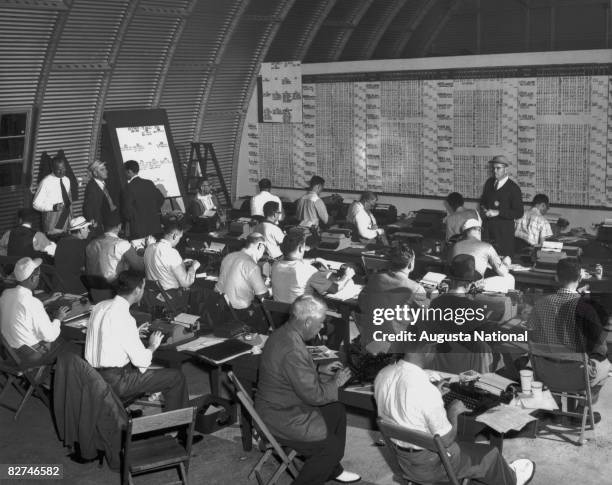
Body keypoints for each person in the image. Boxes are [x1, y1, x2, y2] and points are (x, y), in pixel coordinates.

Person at [374, 331, 535, 485]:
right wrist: (453, 412)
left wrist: (434, 394)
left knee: (465, 444)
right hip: (433, 466)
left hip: (403, 461)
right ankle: (512, 479)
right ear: (428, 349)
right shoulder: (424, 389)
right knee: (490, 455)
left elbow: (402, 406)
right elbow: (446, 440)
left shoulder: (383, 374)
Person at [255, 295, 360, 485]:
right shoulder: (292, 348)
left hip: (282, 404)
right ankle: (322, 468)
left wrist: (319, 369)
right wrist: (335, 383)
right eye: (320, 323)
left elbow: (289, 371)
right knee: (332, 447)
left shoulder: (283, 333)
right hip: (281, 416)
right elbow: (314, 396)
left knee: (336, 410)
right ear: (308, 321)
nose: (321, 327)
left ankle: (331, 470)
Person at [84, 271, 193, 420]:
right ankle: (179, 428)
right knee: (176, 377)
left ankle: (121, 411)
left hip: (92, 375)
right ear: (137, 291)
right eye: (143, 288)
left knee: (137, 367)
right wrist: (153, 346)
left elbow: (108, 334)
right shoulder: (124, 317)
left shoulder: (100, 306)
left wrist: (134, 333)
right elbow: (141, 362)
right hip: (116, 382)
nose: (143, 291)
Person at [528, 258, 610, 387]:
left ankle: (556, 402)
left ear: (556, 278)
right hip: (578, 376)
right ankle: (582, 406)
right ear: (580, 278)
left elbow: (531, 335)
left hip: (544, 373)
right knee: (605, 365)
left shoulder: (540, 304)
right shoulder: (588, 308)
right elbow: (602, 349)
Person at [428, 254, 495, 374]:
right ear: (469, 284)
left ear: (450, 280)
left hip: (440, 368)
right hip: (467, 371)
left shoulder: (435, 303)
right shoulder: (475, 308)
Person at [358, 243, 427, 353]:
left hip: (370, 344)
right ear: (410, 264)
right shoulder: (416, 289)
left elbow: (362, 304)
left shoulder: (374, 279)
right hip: (394, 350)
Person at [0, 257, 70, 365]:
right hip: (29, 356)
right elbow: (50, 336)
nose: (39, 279)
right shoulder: (32, 303)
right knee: (65, 342)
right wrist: (58, 319)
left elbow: (21, 310)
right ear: (32, 278)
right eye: (38, 276)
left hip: (9, 353)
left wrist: (48, 300)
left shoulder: (6, 294)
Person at [271, 229, 355, 304]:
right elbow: (334, 289)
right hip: (302, 317)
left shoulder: (275, 265)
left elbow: (291, 263)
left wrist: (313, 260)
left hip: (280, 315)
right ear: (300, 248)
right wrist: (346, 276)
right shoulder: (307, 270)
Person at [214, 233, 269, 332]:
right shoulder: (251, 265)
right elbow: (262, 295)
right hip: (243, 316)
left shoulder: (228, 257)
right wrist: (269, 288)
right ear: (260, 246)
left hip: (223, 311)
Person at [449, 219, 515, 292]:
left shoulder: (455, 246)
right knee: (509, 277)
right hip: (473, 287)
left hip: (455, 285)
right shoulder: (487, 247)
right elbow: (502, 272)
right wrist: (506, 263)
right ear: (479, 230)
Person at [479, 155, 523, 257]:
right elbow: (482, 202)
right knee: (485, 258)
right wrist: (485, 209)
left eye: (498, 168)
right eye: (493, 168)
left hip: (503, 233)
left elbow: (519, 212)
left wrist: (498, 212)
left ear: (506, 169)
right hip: (487, 231)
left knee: (502, 261)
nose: (495, 171)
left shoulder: (513, 188)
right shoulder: (489, 183)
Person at [86, 211, 144, 282]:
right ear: (119, 226)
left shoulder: (90, 244)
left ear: (103, 226)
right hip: (115, 288)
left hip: (94, 288)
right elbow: (140, 266)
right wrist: (143, 250)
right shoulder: (121, 244)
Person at [144, 220, 200, 292]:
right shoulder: (172, 253)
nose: (179, 241)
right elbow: (186, 283)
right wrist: (193, 267)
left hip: (151, 296)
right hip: (170, 297)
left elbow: (161, 265)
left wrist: (181, 263)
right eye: (180, 238)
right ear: (174, 236)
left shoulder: (149, 248)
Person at [121, 160, 165, 239]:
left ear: (129, 171)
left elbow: (127, 209)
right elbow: (161, 198)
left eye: (124, 171)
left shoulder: (129, 187)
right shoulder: (149, 183)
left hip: (138, 228)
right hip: (154, 225)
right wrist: (153, 210)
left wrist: (134, 217)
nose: (123, 174)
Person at [33, 156, 73, 235]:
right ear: (52, 169)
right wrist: (52, 207)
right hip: (52, 220)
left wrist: (71, 217)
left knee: (65, 243)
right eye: (59, 170)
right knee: (53, 244)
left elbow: (69, 200)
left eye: (63, 168)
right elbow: (35, 204)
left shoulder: (67, 180)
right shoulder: (46, 182)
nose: (62, 172)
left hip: (66, 218)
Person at [55, 217, 92, 294]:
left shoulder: (61, 242)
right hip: (75, 287)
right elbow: (86, 267)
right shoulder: (81, 245)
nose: (89, 230)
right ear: (81, 229)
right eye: (87, 228)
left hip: (60, 284)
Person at [82, 160, 118, 236]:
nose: (106, 171)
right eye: (102, 170)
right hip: (101, 225)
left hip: (112, 220)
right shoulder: (91, 187)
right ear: (95, 173)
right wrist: (92, 220)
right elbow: (87, 207)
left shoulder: (107, 183)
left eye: (105, 169)